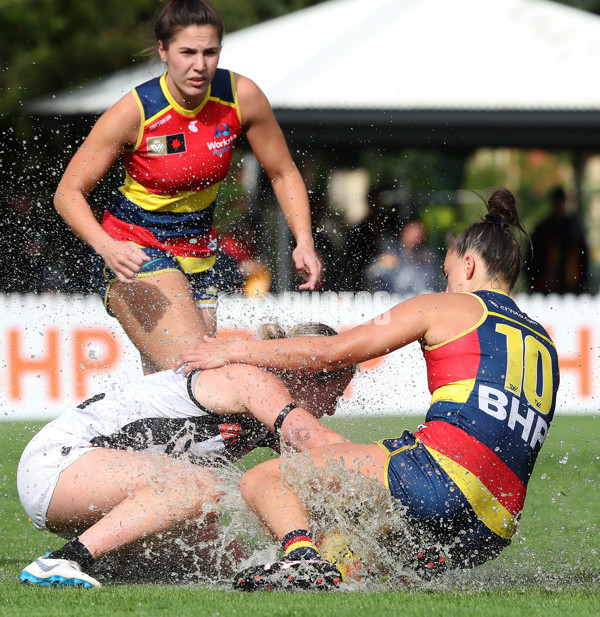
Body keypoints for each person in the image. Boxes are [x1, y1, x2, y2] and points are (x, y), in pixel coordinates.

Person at [175, 188, 560, 591]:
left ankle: (302, 560)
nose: (445, 288)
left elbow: (333, 352)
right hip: (492, 529)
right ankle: (360, 566)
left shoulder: (448, 307)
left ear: (467, 265)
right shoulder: (545, 345)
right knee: (357, 533)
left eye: (447, 277)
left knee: (263, 480)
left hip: (438, 483)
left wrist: (235, 349)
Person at [53, 0, 322, 375]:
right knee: (196, 372)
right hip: (136, 250)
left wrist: (304, 240)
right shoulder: (135, 111)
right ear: (163, 51)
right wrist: (107, 247)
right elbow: (67, 193)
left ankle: (125, 434)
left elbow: (283, 172)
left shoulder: (240, 96)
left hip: (198, 252)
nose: (200, 65)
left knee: (170, 386)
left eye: (210, 52)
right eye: (187, 52)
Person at [18, 323, 354, 588]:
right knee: (203, 490)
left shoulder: (268, 411)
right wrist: (393, 472)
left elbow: (306, 488)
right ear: (304, 373)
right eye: (334, 392)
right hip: (58, 465)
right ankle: (64, 559)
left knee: (238, 565)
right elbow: (324, 445)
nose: (334, 407)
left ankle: (113, 561)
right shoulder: (253, 380)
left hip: (99, 486)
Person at [526, 186, 590, 295]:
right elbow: (531, 257)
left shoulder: (574, 229)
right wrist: (534, 282)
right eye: (558, 202)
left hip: (571, 287)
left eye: (562, 202)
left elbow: (583, 258)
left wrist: (581, 284)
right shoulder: (543, 229)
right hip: (545, 287)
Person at [363, 218, 442, 295]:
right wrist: (383, 265)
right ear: (404, 231)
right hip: (392, 298)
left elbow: (431, 282)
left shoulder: (425, 256)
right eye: (413, 233)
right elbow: (371, 274)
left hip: (416, 298)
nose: (416, 237)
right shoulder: (391, 252)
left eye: (419, 234)